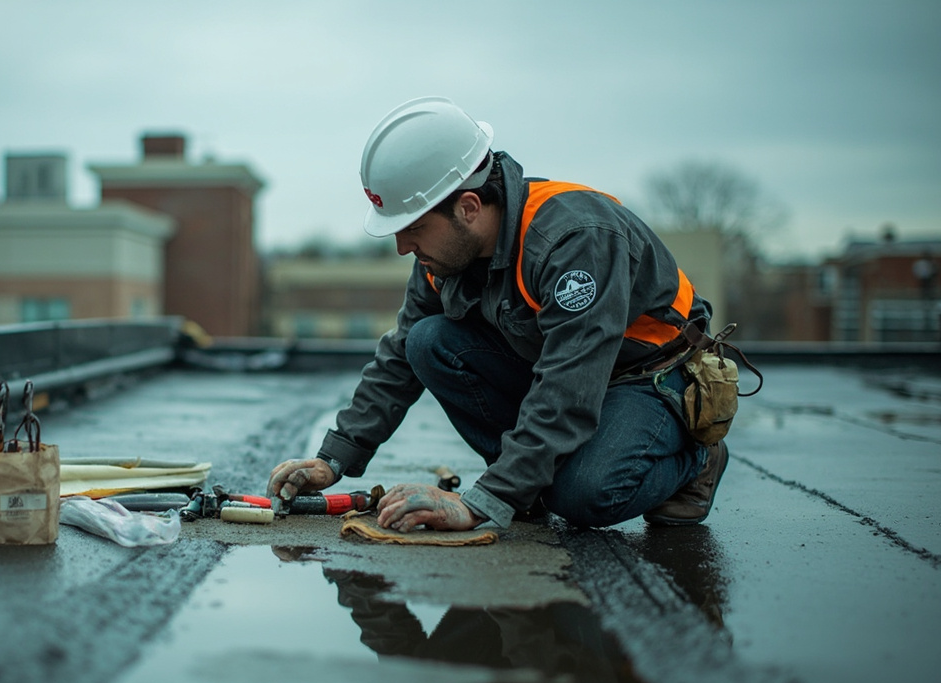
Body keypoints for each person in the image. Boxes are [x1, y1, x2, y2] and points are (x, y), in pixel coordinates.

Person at [267, 97, 727, 531]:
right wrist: (334, 458)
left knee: (585, 496)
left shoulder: (575, 239)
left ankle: (697, 459)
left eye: (413, 229)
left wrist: (481, 504)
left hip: (647, 379)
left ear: (467, 207)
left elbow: (570, 384)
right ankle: (525, 487)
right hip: (569, 375)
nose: (402, 247)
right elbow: (399, 358)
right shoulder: (445, 254)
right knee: (426, 341)